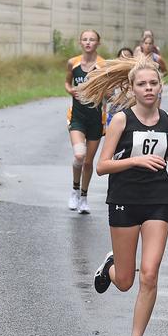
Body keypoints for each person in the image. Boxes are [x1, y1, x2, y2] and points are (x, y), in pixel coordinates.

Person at [80, 58, 168, 336]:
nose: (148, 88)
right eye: (142, 84)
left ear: (160, 86)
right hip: (124, 200)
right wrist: (135, 162)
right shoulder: (121, 121)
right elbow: (101, 167)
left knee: (149, 274)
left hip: (157, 200)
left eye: (153, 83)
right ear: (133, 89)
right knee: (125, 281)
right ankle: (111, 267)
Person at [65, 29, 107, 214]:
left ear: (98, 43)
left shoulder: (103, 65)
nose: (88, 42)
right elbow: (67, 82)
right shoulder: (72, 63)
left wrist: (99, 92)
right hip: (77, 117)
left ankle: (83, 197)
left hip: (96, 118)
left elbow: (108, 91)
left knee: (88, 162)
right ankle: (74, 190)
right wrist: (70, 90)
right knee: (79, 155)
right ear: (80, 42)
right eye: (85, 39)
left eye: (92, 40)